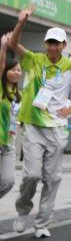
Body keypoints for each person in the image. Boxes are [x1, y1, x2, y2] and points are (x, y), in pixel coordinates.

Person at [8, 6, 71, 239]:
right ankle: (23, 210)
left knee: (53, 178)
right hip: (33, 125)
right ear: (45, 44)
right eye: (50, 43)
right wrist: (21, 22)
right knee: (32, 175)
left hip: (57, 127)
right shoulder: (34, 60)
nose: (52, 47)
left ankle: (42, 222)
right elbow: (14, 44)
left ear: (64, 45)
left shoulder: (70, 66)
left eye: (57, 43)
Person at [1, 33, 22, 200]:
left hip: (9, 143)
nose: (16, 73)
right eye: (13, 69)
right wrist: (4, 46)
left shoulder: (18, 95)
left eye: (19, 70)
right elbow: (1, 64)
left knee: (8, 182)